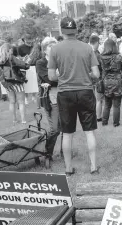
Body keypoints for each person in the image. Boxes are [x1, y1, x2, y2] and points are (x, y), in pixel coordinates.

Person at [48, 17, 100, 176]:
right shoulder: (87, 48)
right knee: (89, 131)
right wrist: (85, 75)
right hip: (85, 92)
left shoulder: (55, 49)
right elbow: (96, 74)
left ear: (62, 31)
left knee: (68, 132)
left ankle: (68, 168)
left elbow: (51, 77)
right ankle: (93, 167)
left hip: (65, 94)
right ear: (76, 30)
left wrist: (63, 76)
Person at [36, 37, 61, 162]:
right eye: (51, 47)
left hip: (64, 96)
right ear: (45, 50)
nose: (55, 50)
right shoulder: (41, 63)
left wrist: (55, 78)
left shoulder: (60, 60)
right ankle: (47, 153)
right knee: (55, 129)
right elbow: (48, 79)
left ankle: (62, 152)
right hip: (51, 99)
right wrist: (56, 78)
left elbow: (66, 76)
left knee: (64, 128)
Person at [0, 43, 30, 124]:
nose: (12, 50)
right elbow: (23, 65)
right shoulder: (12, 57)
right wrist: (27, 63)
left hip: (7, 83)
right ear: (9, 50)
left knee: (12, 102)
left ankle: (14, 120)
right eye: (11, 49)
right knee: (21, 102)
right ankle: (23, 120)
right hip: (16, 82)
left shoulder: (0, 59)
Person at [101, 39, 122, 126]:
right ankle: (116, 123)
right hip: (117, 81)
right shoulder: (119, 57)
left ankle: (104, 122)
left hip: (106, 81)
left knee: (107, 104)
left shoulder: (102, 57)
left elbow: (101, 70)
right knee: (116, 104)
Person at [89, 35, 103, 122]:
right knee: (98, 100)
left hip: (87, 78)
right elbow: (101, 67)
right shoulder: (97, 54)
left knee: (91, 99)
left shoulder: (85, 51)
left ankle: (91, 116)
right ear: (97, 42)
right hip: (97, 79)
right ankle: (98, 117)